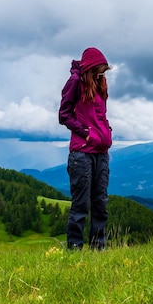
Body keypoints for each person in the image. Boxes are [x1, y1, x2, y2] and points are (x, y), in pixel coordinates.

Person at [58, 47, 112, 250]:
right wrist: (86, 132)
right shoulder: (75, 82)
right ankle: (75, 249)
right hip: (82, 153)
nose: (102, 74)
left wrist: (105, 131)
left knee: (100, 203)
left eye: (104, 71)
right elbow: (64, 115)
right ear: (90, 67)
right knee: (81, 205)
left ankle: (99, 248)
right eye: (99, 70)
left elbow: (99, 116)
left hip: (102, 153)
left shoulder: (99, 84)